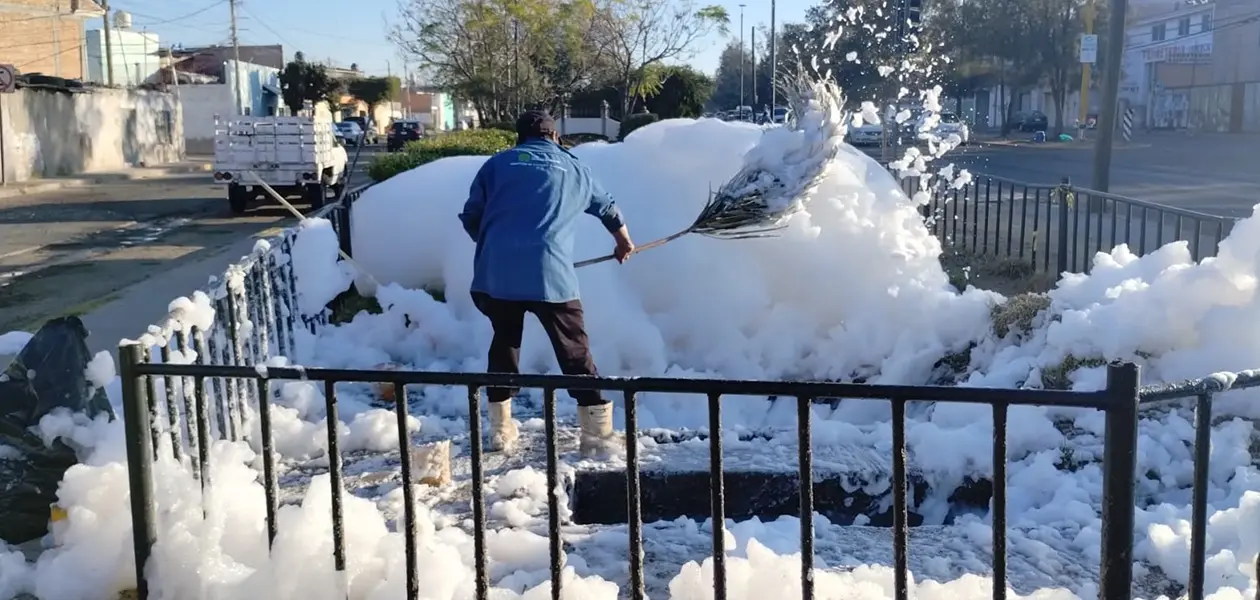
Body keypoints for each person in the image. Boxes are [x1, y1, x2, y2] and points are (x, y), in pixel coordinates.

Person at [458, 110, 636, 456]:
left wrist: (496, 246)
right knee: (574, 349)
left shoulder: (497, 164)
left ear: (520, 137)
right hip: (550, 272)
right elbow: (608, 208)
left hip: (498, 273)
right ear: (555, 136)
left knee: (505, 342)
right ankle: (596, 435)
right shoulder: (574, 167)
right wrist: (624, 242)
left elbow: (471, 217)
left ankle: (500, 431)